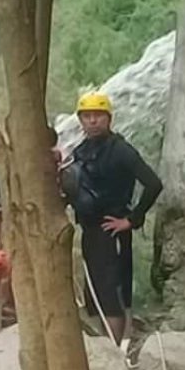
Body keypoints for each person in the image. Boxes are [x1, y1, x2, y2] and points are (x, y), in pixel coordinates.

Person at [64, 91, 163, 344]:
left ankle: (117, 350)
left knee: (113, 297)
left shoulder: (121, 150)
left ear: (108, 118)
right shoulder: (80, 151)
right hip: (90, 231)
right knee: (95, 296)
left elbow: (153, 184)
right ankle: (108, 346)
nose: (92, 121)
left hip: (113, 232)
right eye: (87, 116)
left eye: (98, 115)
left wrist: (132, 219)